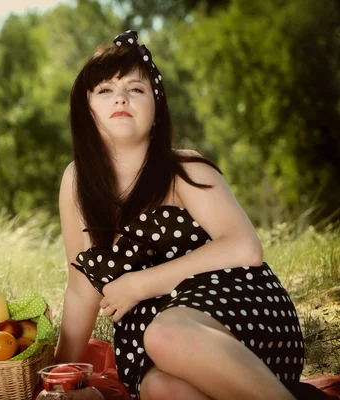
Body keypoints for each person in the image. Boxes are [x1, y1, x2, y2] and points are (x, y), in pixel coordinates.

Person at [54, 30, 304, 400]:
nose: (121, 96)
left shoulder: (185, 168)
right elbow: (80, 290)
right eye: (105, 90)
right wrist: (55, 377)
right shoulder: (76, 183)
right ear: (85, 110)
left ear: (156, 111)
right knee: (160, 388)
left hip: (239, 315)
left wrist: (139, 285)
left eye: (136, 89)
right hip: (153, 347)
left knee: (166, 333)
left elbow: (245, 247)